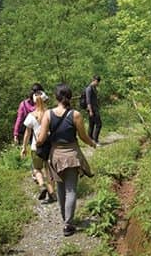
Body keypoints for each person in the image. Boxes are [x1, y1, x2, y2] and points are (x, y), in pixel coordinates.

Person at [37, 84, 97, 236]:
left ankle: (65, 219)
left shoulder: (48, 114)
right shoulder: (75, 114)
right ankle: (68, 224)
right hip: (71, 156)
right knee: (71, 190)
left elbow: (42, 138)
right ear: (69, 97)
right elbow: (83, 136)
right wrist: (92, 143)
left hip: (55, 156)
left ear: (56, 97)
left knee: (61, 189)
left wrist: (36, 142)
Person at [20, 89, 56, 203]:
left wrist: (24, 147)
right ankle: (52, 194)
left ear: (34, 102)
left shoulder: (31, 115)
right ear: (45, 100)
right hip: (50, 147)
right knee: (49, 170)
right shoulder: (51, 113)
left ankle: (42, 186)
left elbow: (27, 133)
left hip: (36, 147)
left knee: (37, 169)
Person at [84, 76, 101, 144]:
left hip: (94, 108)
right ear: (95, 80)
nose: (98, 84)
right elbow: (88, 101)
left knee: (92, 124)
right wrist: (90, 111)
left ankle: (89, 139)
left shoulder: (94, 88)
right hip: (92, 109)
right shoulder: (89, 89)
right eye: (98, 82)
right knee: (99, 124)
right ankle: (95, 140)